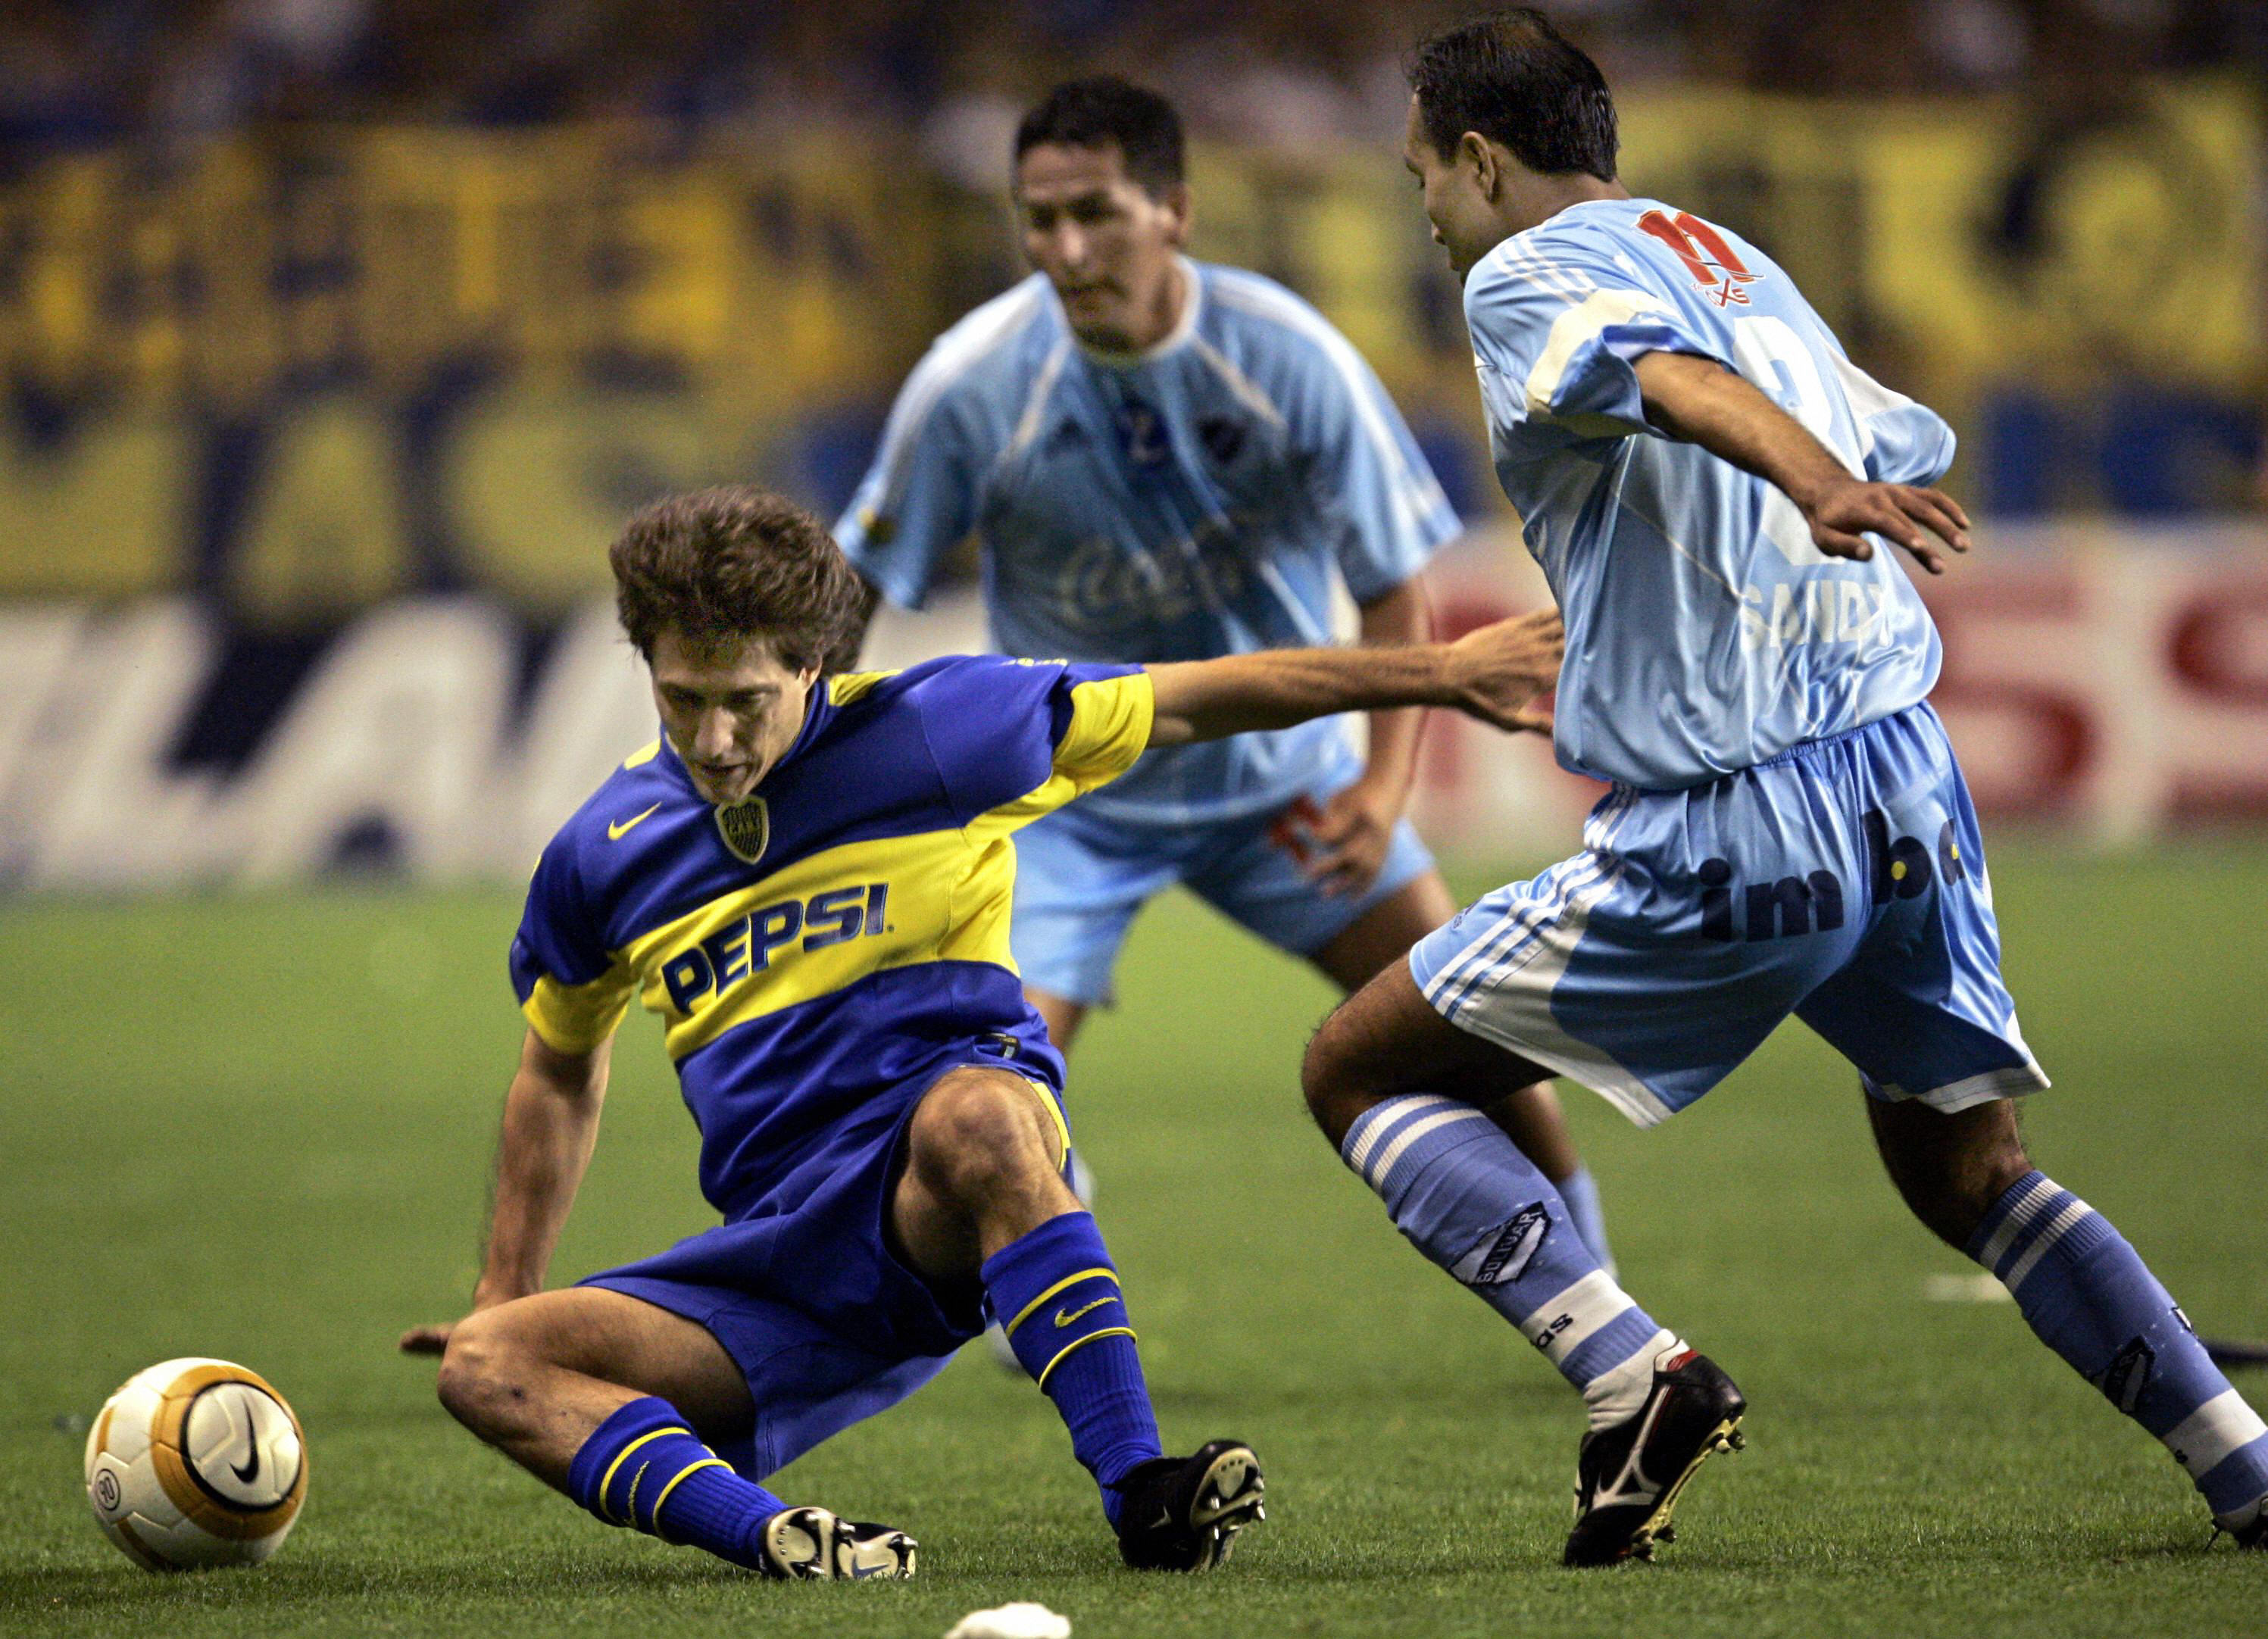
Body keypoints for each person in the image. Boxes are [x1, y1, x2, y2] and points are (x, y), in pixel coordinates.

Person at [1298, 8, 2268, 1568]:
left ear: (1479, 161)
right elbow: (1861, 422)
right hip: (1903, 777)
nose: (1420, 206)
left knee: (1357, 1067)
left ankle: (1632, 1370)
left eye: (1420, 171)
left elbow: (1664, 380)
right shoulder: (1728, 254)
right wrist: (1816, 477)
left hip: (1737, 810)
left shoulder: (1520, 271)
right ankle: (2245, 1463)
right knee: (1969, 1168)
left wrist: (1809, 484)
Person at [398, 484, 1566, 1578]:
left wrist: (1438, 669)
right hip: (776, 1264)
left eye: (745, 702)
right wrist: (503, 1286)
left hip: (927, 1193)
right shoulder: (598, 856)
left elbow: (1202, 694)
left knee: (982, 1116)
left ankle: (1143, 1491)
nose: (713, 741)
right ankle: (785, 1543)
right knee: (489, 1366)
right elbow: (556, 1072)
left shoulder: (941, 730)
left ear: (813, 664)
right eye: (681, 699)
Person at [834, 74, 1614, 1273]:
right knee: (985, 1103)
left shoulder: (1284, 356)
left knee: (1470, 1039)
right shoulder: (971, 383)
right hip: (1064, 802)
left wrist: (1379, 791)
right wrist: (812, 778)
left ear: (1174, 211)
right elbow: (854, 588)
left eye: (1094, 213)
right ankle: (1036, 1247)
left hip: (1282, 783)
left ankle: (1594, 1288)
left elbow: (1391, 586)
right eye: (1039, 220)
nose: (1065, 249)